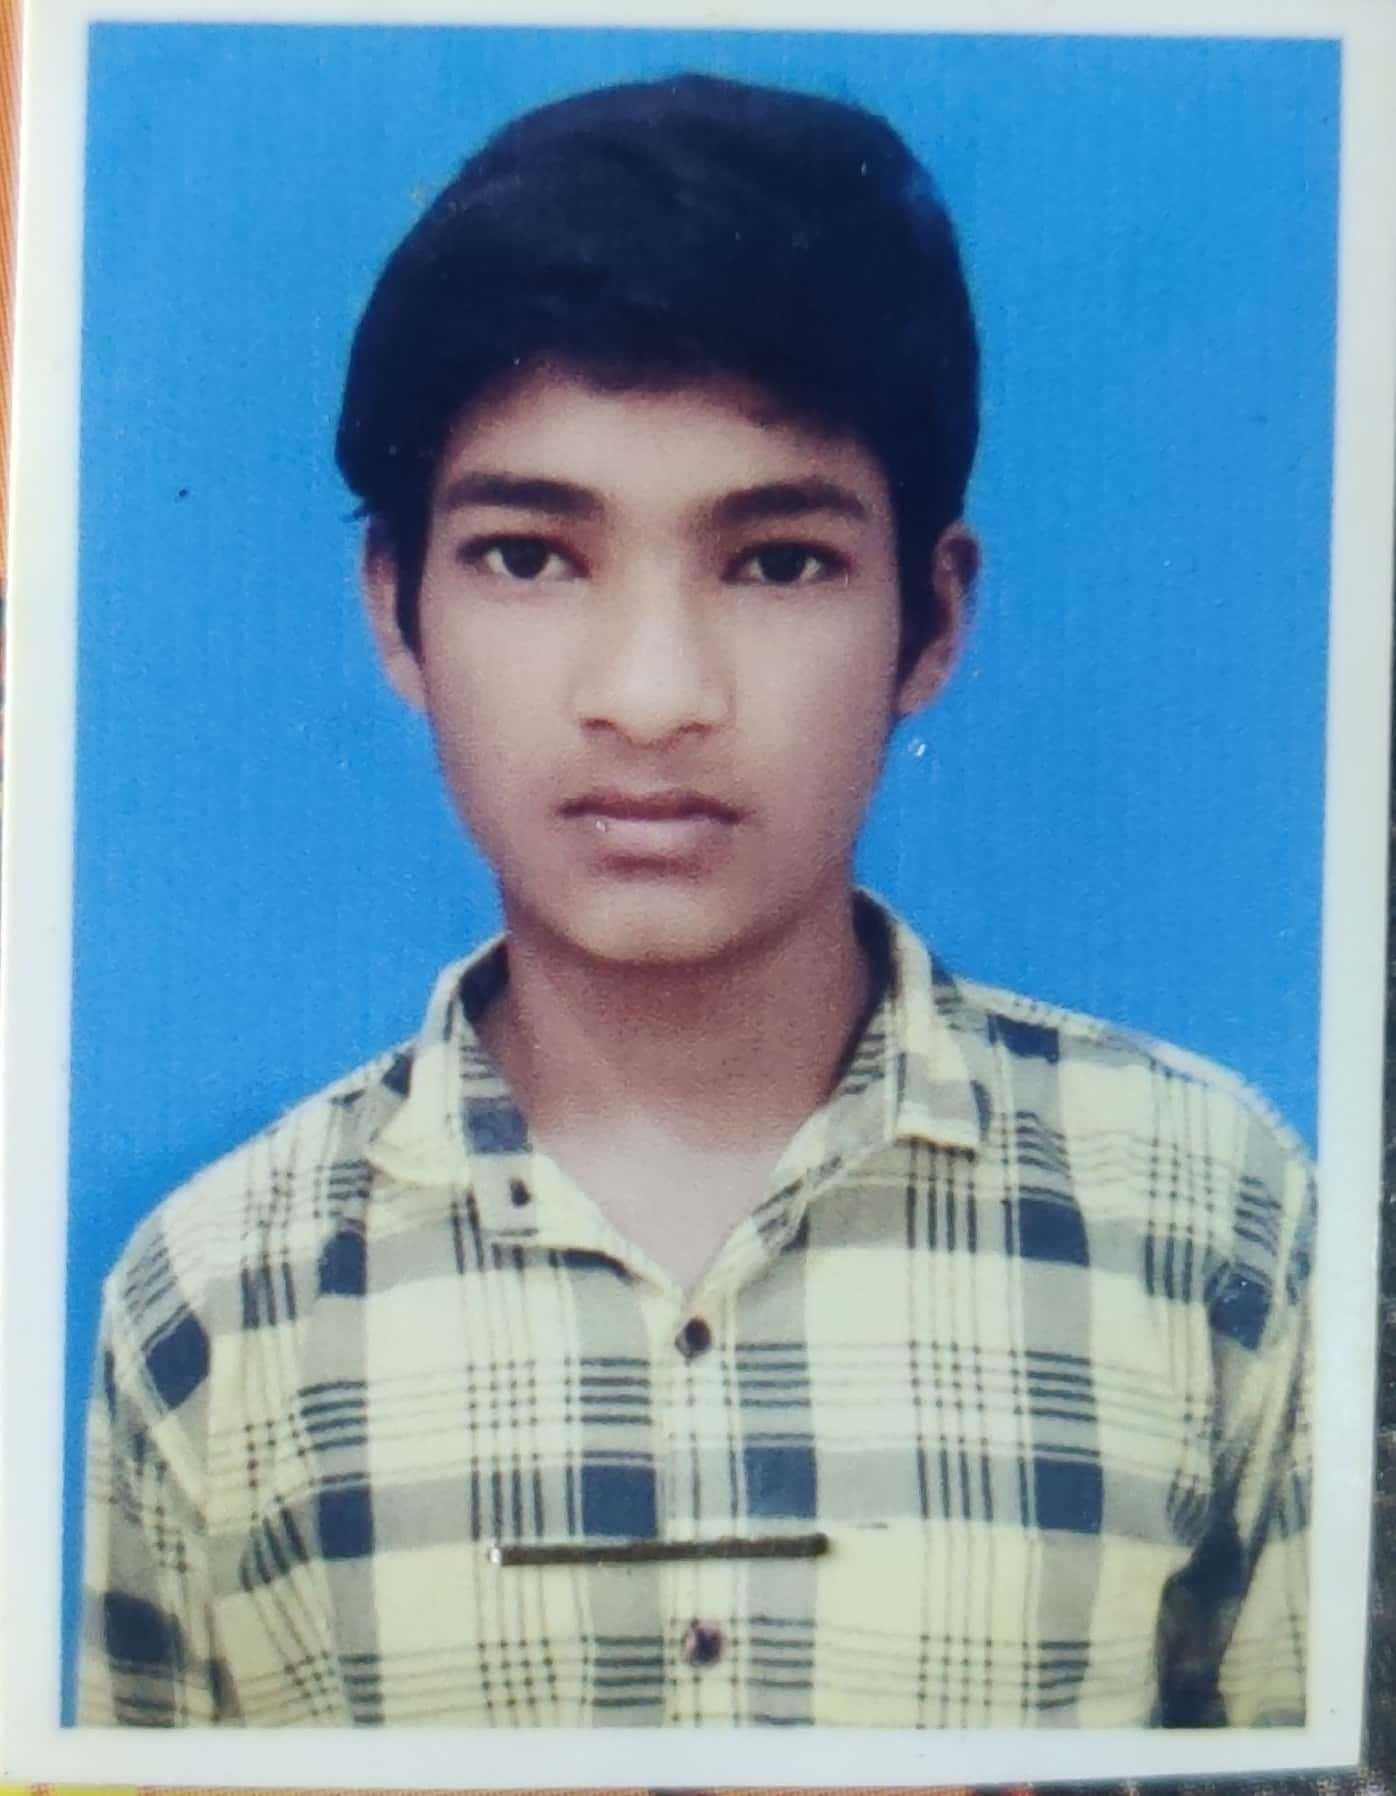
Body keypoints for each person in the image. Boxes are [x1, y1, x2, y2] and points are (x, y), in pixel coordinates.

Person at [79, 72, 1312, 1730]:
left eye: (779, 561)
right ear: (395, 607)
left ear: (932, 620)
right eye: (530, 554)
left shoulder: (1221, 1221)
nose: (653, 698)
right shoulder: (218, 1299)